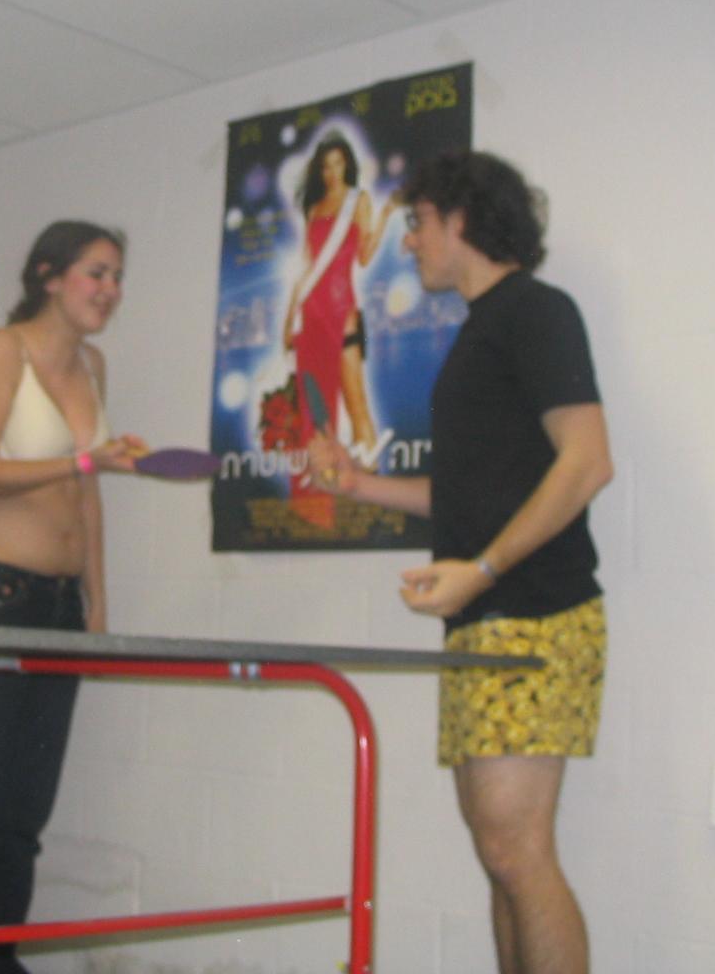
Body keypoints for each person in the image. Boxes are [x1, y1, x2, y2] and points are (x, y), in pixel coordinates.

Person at [308, 151, 612, 974]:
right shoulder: (479, 331)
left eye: (417, 223)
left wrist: (482, 568)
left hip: (536, 616)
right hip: (486, 621)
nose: (408, 241)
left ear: (462, 220)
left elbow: (587, 462)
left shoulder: (537, 311)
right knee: (498, 853)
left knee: (517, 850)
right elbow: (469, 493)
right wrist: (358, 482)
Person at [0, 220, 146, 973]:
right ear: (49, 276)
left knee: (24, 810)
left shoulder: (93, 366)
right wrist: (85, 459)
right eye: (96, 273)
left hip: (58, 607)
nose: (110, 290)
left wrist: (97, 603)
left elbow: (87, 494)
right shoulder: (2, 349)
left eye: (117, 277)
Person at [283, 133, 394, 456]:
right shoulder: (314, 208)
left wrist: (385, 216)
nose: (332, 172)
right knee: (316, 414)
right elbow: (305, 266)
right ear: (319, 171)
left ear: (347, 165)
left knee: (355, 403)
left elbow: (364, 256)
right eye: (326, 166)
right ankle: (325, 482)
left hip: (343, 313)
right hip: (311, 316)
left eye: (338, 163)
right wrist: (288, 322)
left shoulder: (358, 200)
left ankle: (371, 479)